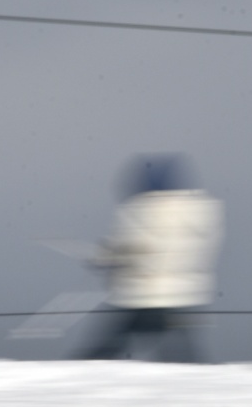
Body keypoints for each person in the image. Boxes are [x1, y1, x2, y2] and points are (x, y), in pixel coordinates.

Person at [78, 155, 223, 362]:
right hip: (186, 299)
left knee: (104, 353)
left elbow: (132, 252)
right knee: (184, 361)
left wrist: (105, 258)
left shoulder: (142, 210)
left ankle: (83, 381)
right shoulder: (202, 212)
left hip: (143, 299)